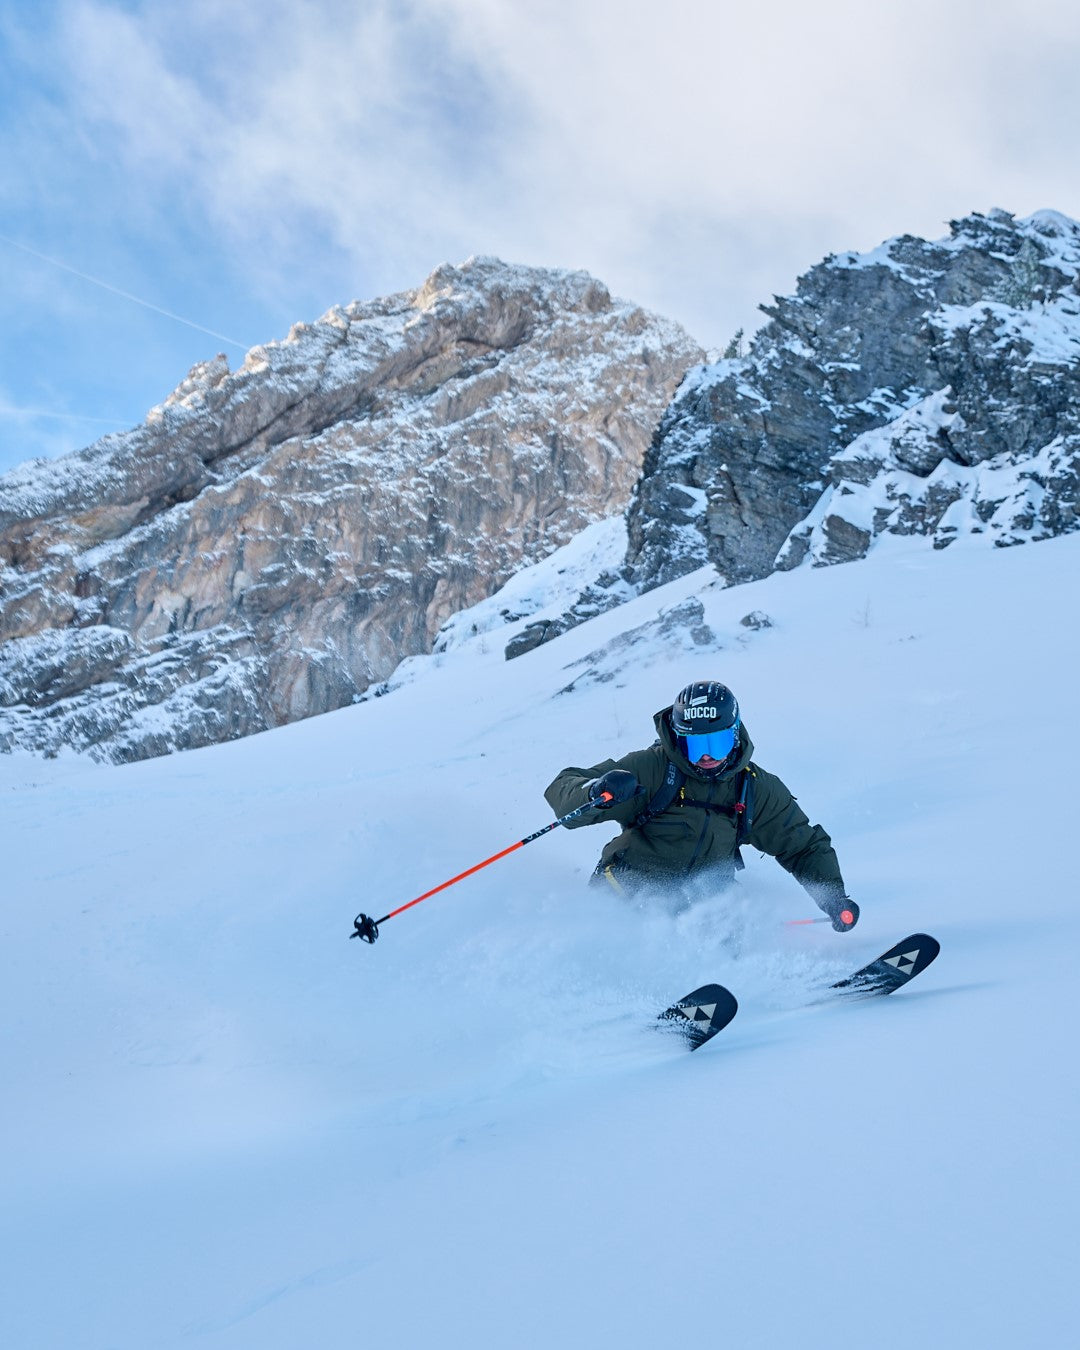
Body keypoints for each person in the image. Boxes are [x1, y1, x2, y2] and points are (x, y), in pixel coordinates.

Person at [544, 679, 859, 931]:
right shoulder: (652, 768)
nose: (706, 756)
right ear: (679, 738)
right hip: (628, 894)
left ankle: (746, 989)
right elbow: (565, 793)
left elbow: (802, 846)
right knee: (625, 941)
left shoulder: (754, 787)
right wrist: (595, 792)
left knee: (727, 924)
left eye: (716, 743)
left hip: (701, 907)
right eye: (695, 746)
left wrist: (833, 898)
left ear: (735, 735)